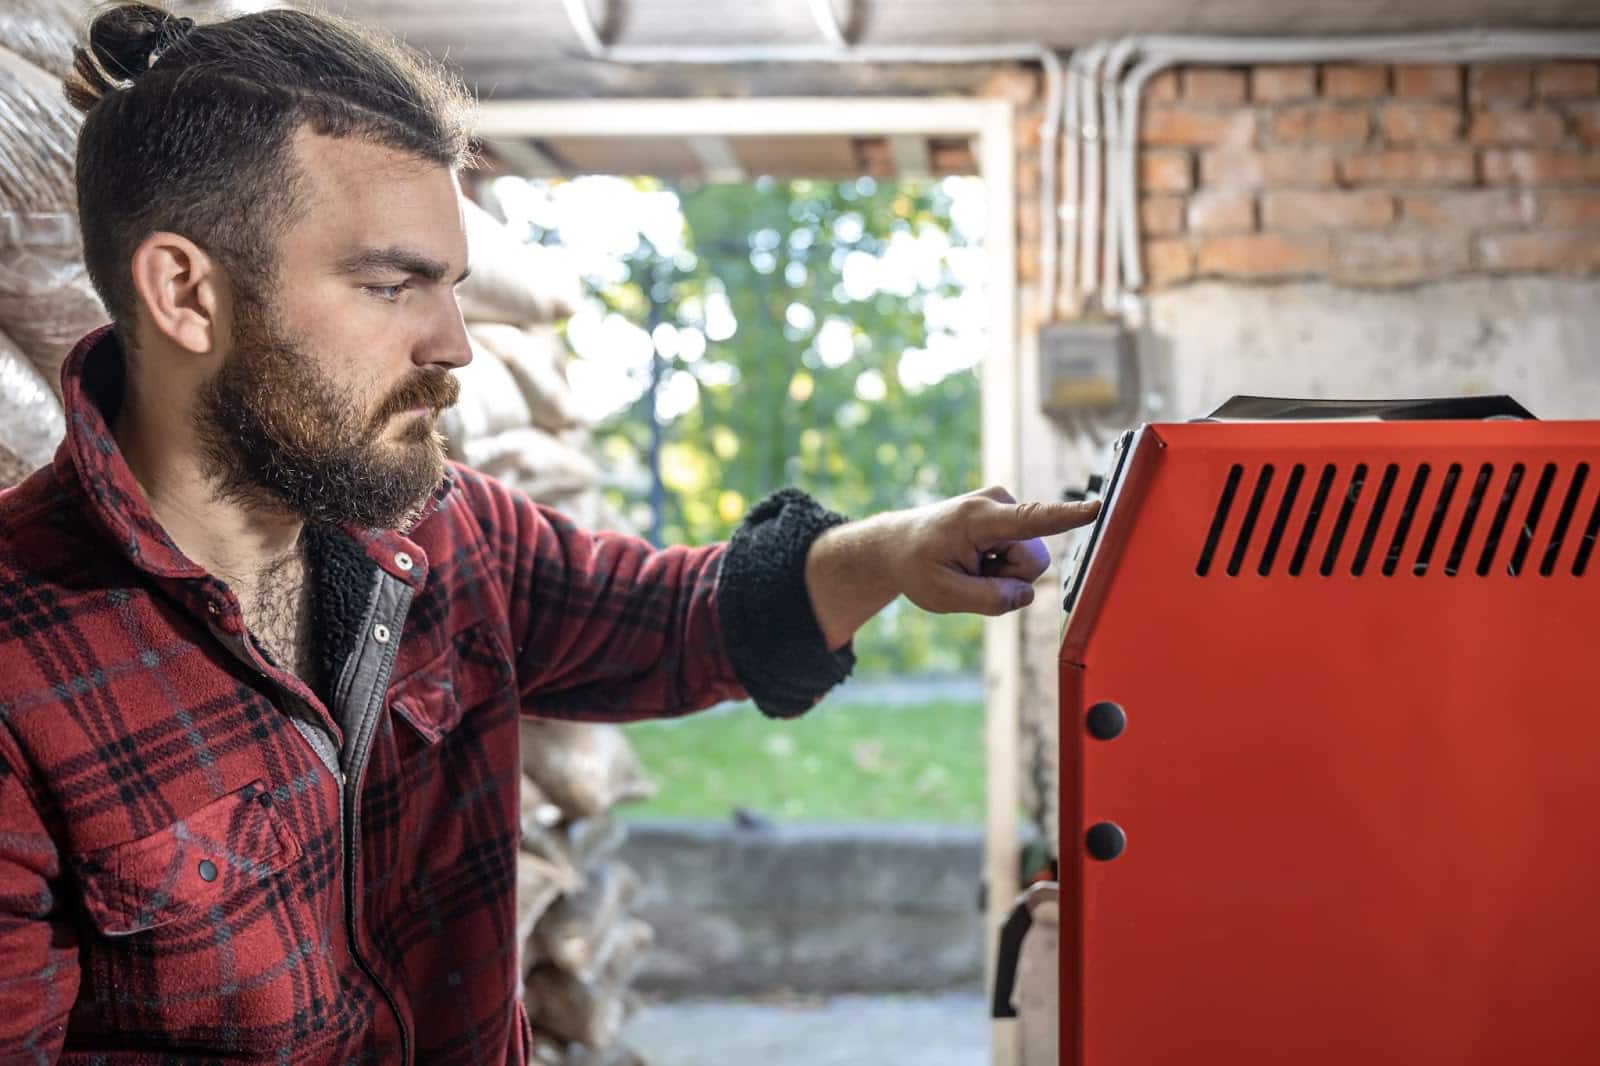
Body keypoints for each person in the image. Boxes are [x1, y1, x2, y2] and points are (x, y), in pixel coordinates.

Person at [0, 5, 1099, 1062]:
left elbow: (681, 620)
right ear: (187, 294)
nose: (455, 345)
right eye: (392, 284)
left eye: (455, 289)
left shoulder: (447, 534)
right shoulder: (19, 668)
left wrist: (898, 549)